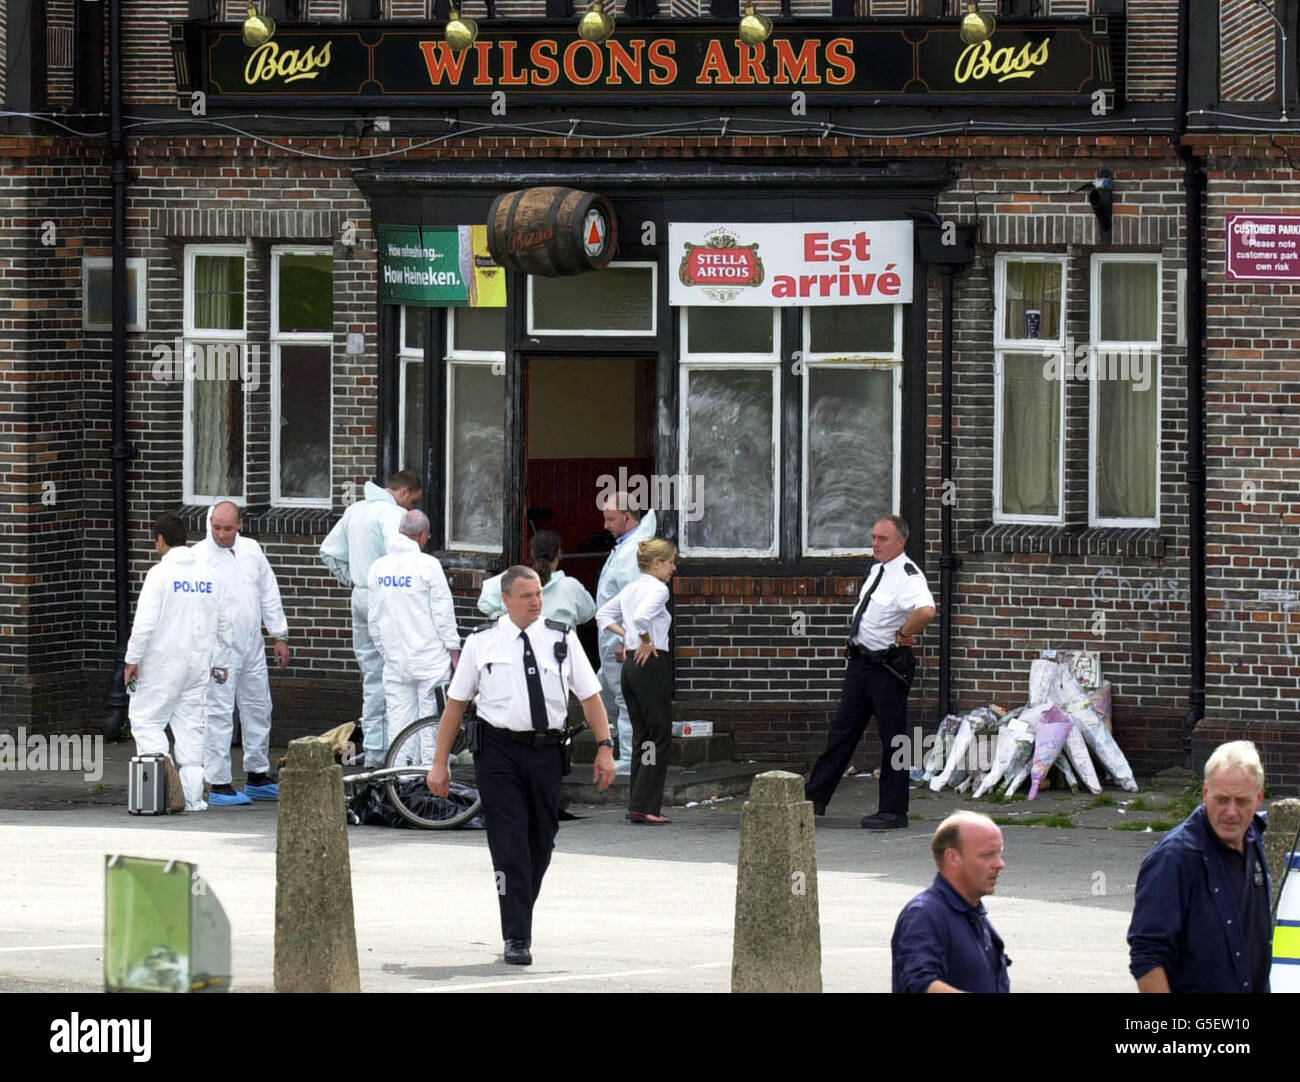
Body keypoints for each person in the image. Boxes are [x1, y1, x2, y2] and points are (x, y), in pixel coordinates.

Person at [427, 566, 616, 966]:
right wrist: (439, 763)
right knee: (509, 844)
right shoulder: (482, 643)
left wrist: (605, 747)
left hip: (546, 752)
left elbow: (591, 696)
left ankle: (519, 909)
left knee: (541, 842)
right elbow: (456, 707)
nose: (536, 602)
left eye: (539, 595)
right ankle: (517, 936)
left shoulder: (562, 638)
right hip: (498, 752)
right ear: (506, 599)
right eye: (527, 595)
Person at [804, 514, 936, 829]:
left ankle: (893, 810)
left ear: (900, 542)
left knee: (893, 739)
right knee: (842, 731)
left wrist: (905, 630)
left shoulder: (908, 575)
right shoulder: (877, 570)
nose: (875, 543)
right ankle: (813, 799)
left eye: (883, 539)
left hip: (887, 665)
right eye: (874, 537)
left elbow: (927, 610)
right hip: (861, 663)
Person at [1127, 740, 1272, 993]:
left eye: (1241, 801)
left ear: (1258, 798)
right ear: (1205, 793)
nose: (1230, 812)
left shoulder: (1254, 836)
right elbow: (1148, 954)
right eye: (1221, 799)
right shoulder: (1174, 859)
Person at [123, 513, 232, 813]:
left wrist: (132, 659)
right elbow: (224, 624)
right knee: (191, 731)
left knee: (147, 721)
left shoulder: (160, 575)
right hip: (197, 665)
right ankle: (193, 798)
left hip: (161, 665)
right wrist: (220, 662)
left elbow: (144, 625)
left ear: (160, 540)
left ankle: (162, 791)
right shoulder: (209, 575)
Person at [319, 470, 423, 767]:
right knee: (396, 674)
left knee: (372, 675)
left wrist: (351, 579)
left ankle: (375, 751)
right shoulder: (391, 515)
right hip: (385, 598)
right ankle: (396, 748)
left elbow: (329, 551)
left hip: (360, 596)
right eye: (411, 502)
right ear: (403, 493)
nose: (410, 509)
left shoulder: (355, 510)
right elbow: (401, 554)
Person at [194, 501, 289, 805]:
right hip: (219, 648)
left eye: (227, 528)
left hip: (252, 644)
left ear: (240, 525)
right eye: (216, 528)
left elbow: (268, 592)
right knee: (219, 712)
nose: (221, 534)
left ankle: (257, 774)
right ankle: (219, 782)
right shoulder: (199, 557)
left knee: (258, 706)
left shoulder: (251, 550)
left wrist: (279, 635)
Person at [366, 509, 461, 763]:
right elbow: (442, 613)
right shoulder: (428, 565)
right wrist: (454, 651)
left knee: (399, 723)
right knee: (431, 725)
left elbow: (373, 620)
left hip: (396, 660)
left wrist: (387, 652)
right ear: (421, 536)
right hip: (430, 658)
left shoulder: (378, 568)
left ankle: (401, 782)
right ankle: (431, 783)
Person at [595, 539, 678, 825]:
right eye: (670, 562)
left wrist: (627, 637)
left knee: (643, 733)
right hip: (651, 663)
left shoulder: (632, 588)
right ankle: (647, 806)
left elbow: (603, 614)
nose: (673, 568)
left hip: (630, 667)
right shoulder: (658, 589)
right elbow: (643, 619)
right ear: (656, 563)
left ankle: (638, 803)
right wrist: (643, 640)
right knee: (658, 735)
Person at [891, 811, 1011, 993]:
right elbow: (918, 984)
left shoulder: (973, 912)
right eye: (987, 855)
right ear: (952, 858)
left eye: (999, 853)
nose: (999, 864)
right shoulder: (924, 915)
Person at [595, 493, 657, 775]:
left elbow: (634, 600)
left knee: (624, 697)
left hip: (619, 639)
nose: (606, 525)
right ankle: (617, 749)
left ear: (627, 517)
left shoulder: (632, 553)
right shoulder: (625, 547)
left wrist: (625, 640)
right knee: (605, 692)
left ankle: (631, 756)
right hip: (613, 637)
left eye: (610, 519)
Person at [477, 530, 596, 629]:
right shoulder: (571, 586)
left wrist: (501, 616)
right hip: (559, 653)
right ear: (559, 554)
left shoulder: (512, 579)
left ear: (532, 553)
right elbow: (588, 613)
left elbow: (484, 603)